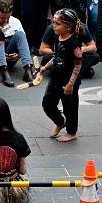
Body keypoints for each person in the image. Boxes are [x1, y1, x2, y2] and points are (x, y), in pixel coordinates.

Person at [37, 8, 85, 142]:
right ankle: (59, 121)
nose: (54, 26)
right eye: (54, 23)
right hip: (56, 78)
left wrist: (70, 85)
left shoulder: (74, 44)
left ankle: (71, 132)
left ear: (68, 27)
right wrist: (45, 67)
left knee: (70, 107)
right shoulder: (58, 38)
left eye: (58, 24)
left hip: (68, 81)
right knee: (47, 103)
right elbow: (57, 57)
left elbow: (78, 65)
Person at [0, 0, 35, 86]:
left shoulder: (15, 22)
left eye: (8, 18)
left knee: (20, 34)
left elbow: (23, 45)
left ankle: (28, 69)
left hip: (10, 57)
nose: (6, 21)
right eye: (3, 18)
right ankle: (4, 71)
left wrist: (18, 55)